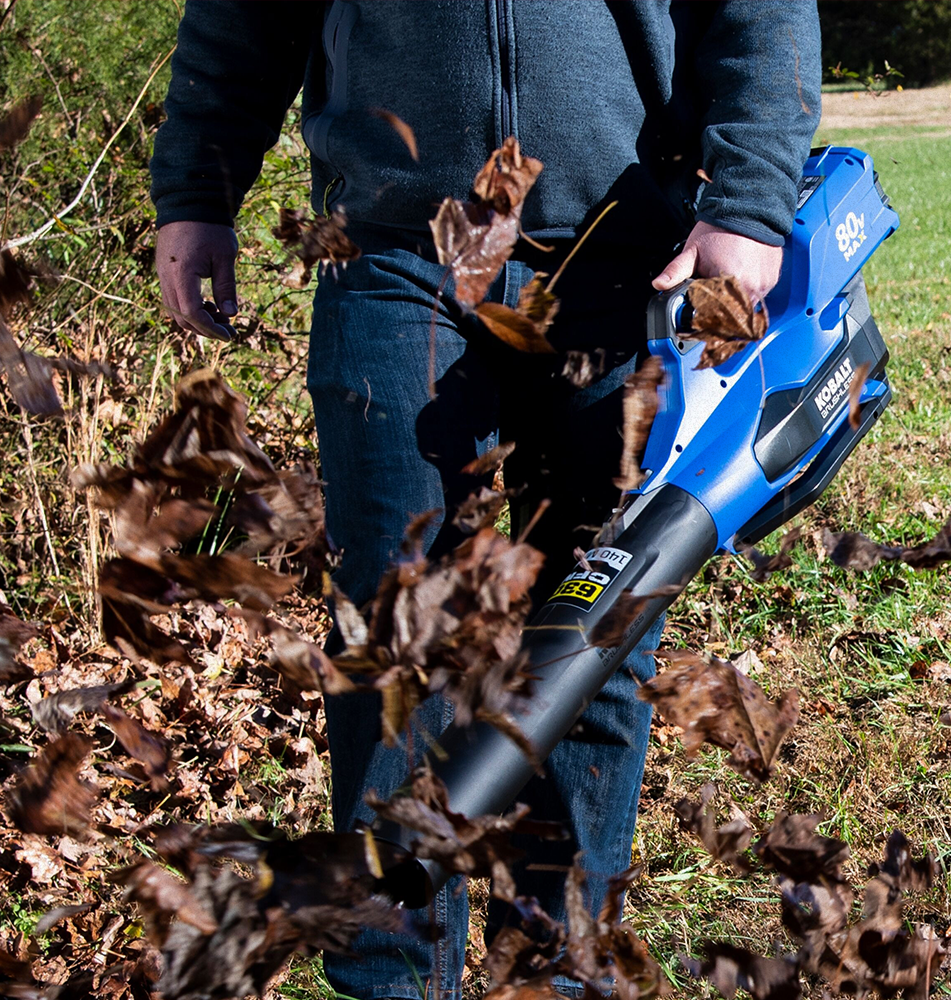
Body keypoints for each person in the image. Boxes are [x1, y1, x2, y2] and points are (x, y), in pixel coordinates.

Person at [147, 3, 820, 998]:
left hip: (623, 252)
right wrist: (196, 188)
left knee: (593, 635)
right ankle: (392, 978)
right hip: (391, 254)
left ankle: (559, 970)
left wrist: (752, 201)